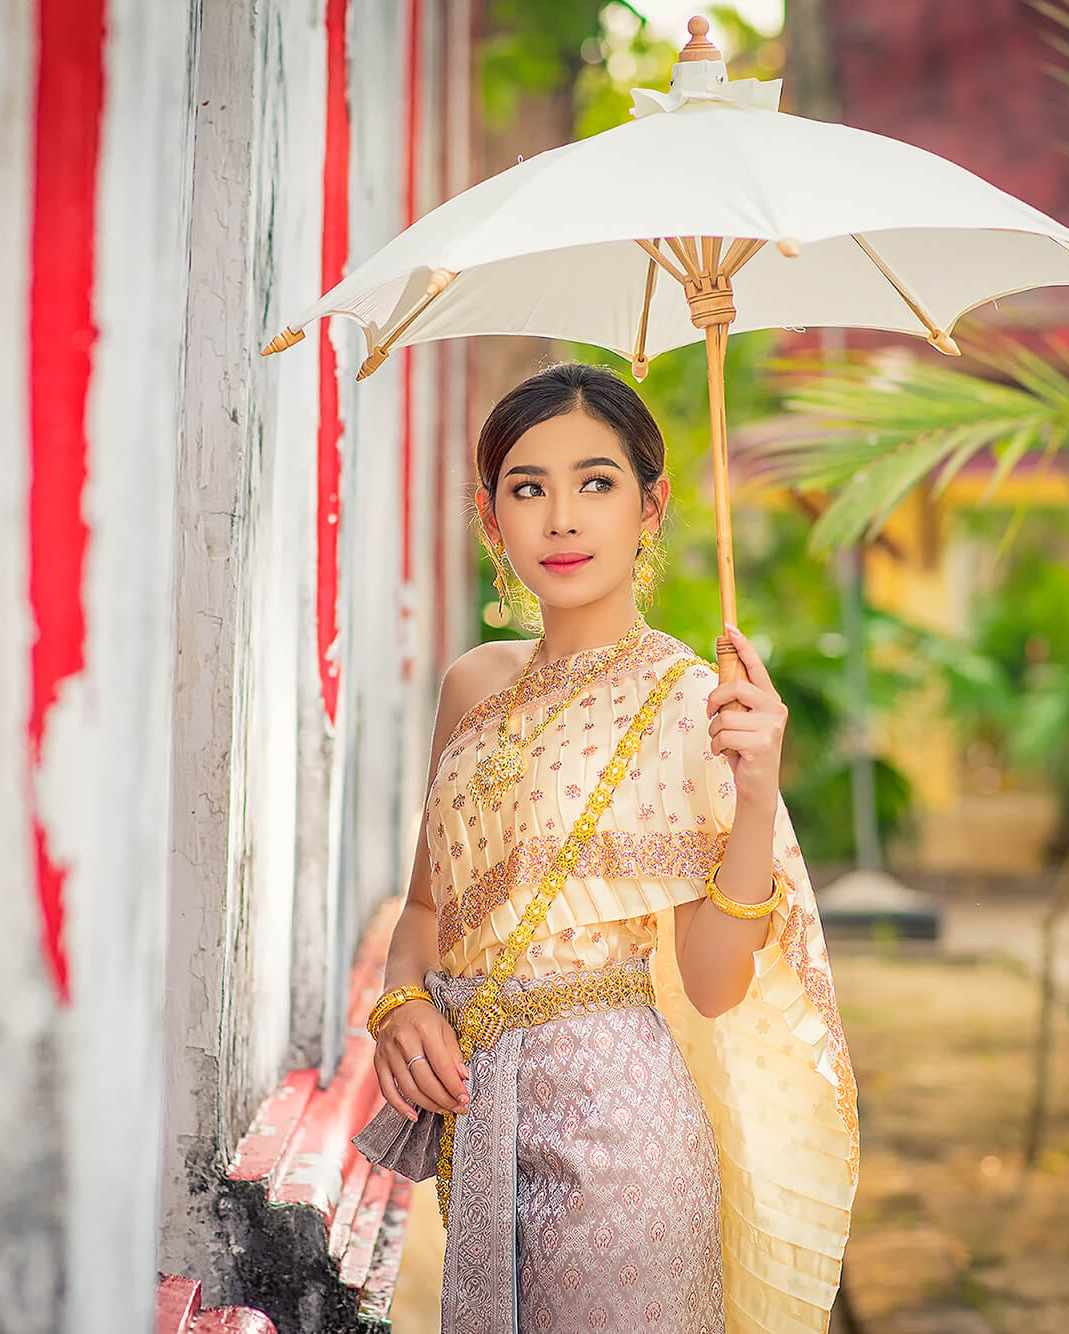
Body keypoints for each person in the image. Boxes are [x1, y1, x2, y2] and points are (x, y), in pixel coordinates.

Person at [353, 363, 856, 1334]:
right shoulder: (473, 688)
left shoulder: (686, 702)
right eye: (526, 487)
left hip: (621, 1130)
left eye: (595, 482)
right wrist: (400, 1000)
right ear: (490, 518)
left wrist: (753, 798)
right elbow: (426, 910)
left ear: (650, 504)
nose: (561, 518)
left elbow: (712, 983)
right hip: (482, 1120)